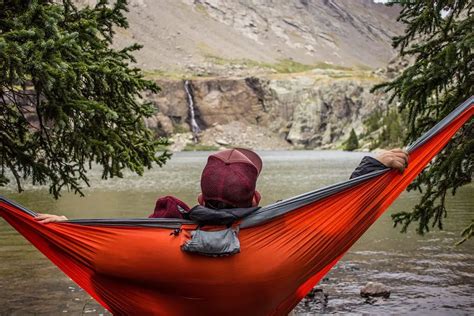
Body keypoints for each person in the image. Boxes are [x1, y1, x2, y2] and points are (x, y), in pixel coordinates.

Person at [35, 148, 408, 224]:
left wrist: (65, 226)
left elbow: (107, 245)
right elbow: (340, 212)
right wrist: (370, 166)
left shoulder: (163, 233)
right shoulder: (277, 230)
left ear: (199, 197)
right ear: (256, 196)